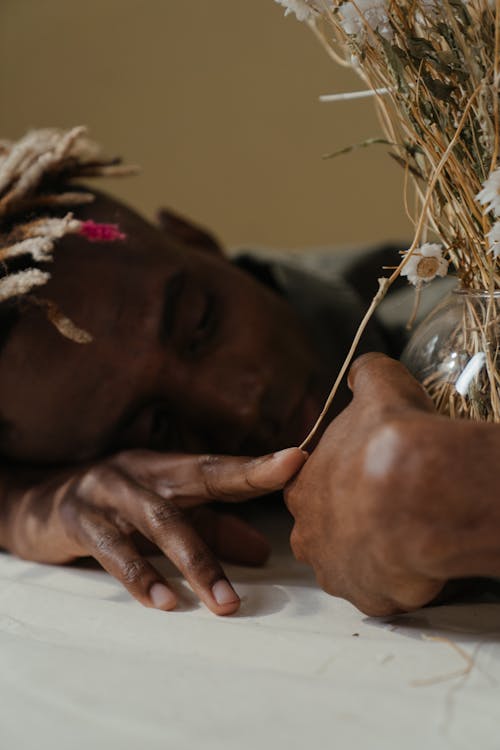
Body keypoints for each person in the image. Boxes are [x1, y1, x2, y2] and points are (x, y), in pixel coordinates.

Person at [2, 127, 495, 620]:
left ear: (195, 237)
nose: (239, 401)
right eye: (156, 426)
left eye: (202, 325)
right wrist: (18, 506)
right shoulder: (54, 477)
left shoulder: (469, 311)